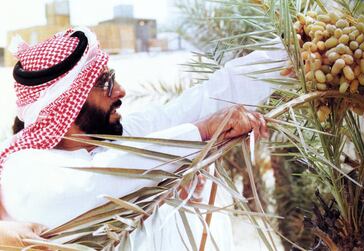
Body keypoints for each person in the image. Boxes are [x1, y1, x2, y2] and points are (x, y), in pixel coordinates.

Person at [0, 27, 287, 250]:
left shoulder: (112, 140)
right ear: (65, 107)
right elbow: (102, 178)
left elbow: (196, 103)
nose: (120, 91)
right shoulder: (23, 172)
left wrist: (289, 55)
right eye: (104, 83)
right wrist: (201, 132)